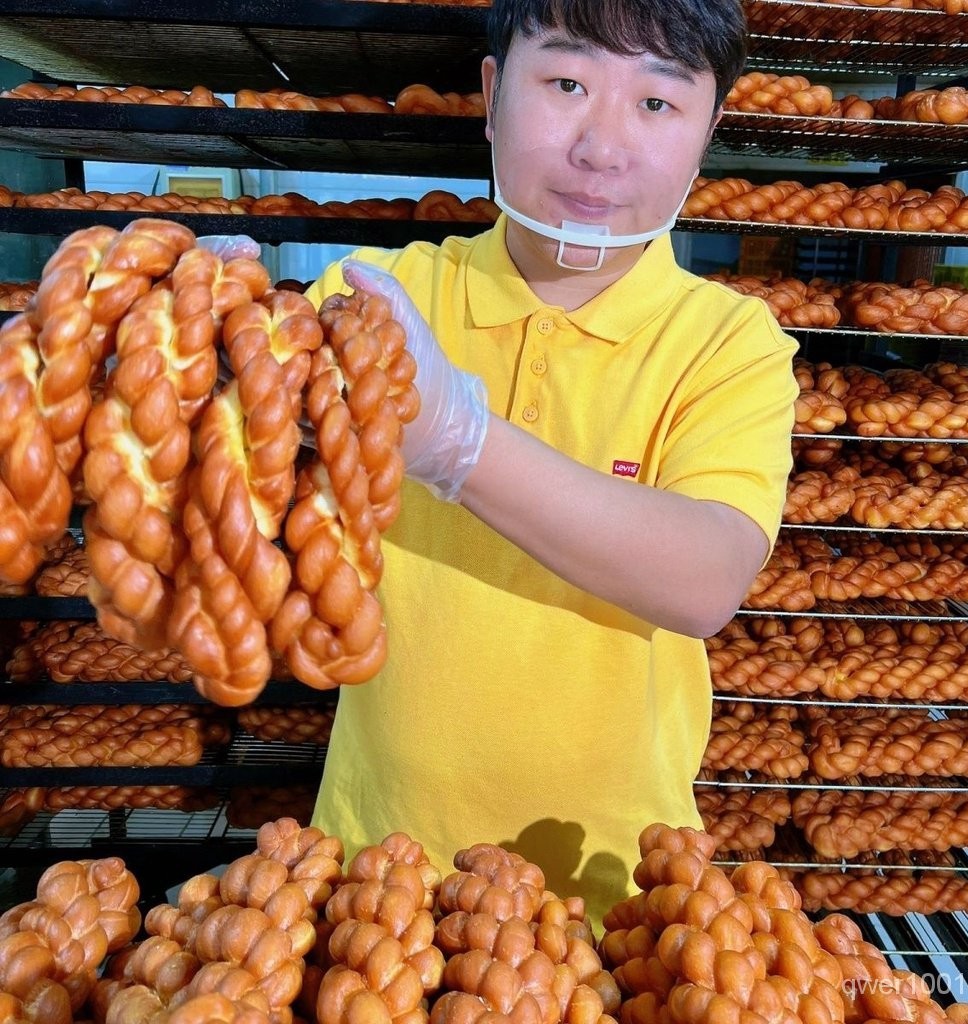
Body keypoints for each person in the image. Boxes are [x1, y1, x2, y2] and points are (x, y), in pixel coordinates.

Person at [225, 0, 799, 925]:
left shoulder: (727, 345)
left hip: (616, 890)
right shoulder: (378, 299)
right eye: (567, 84)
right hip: (376, 867)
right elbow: (246, 541)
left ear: (708, 133)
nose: (603, 149)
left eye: (657, 105)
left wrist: (462, 442)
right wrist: (206, 386)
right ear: (493, 96)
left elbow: (706, 577)